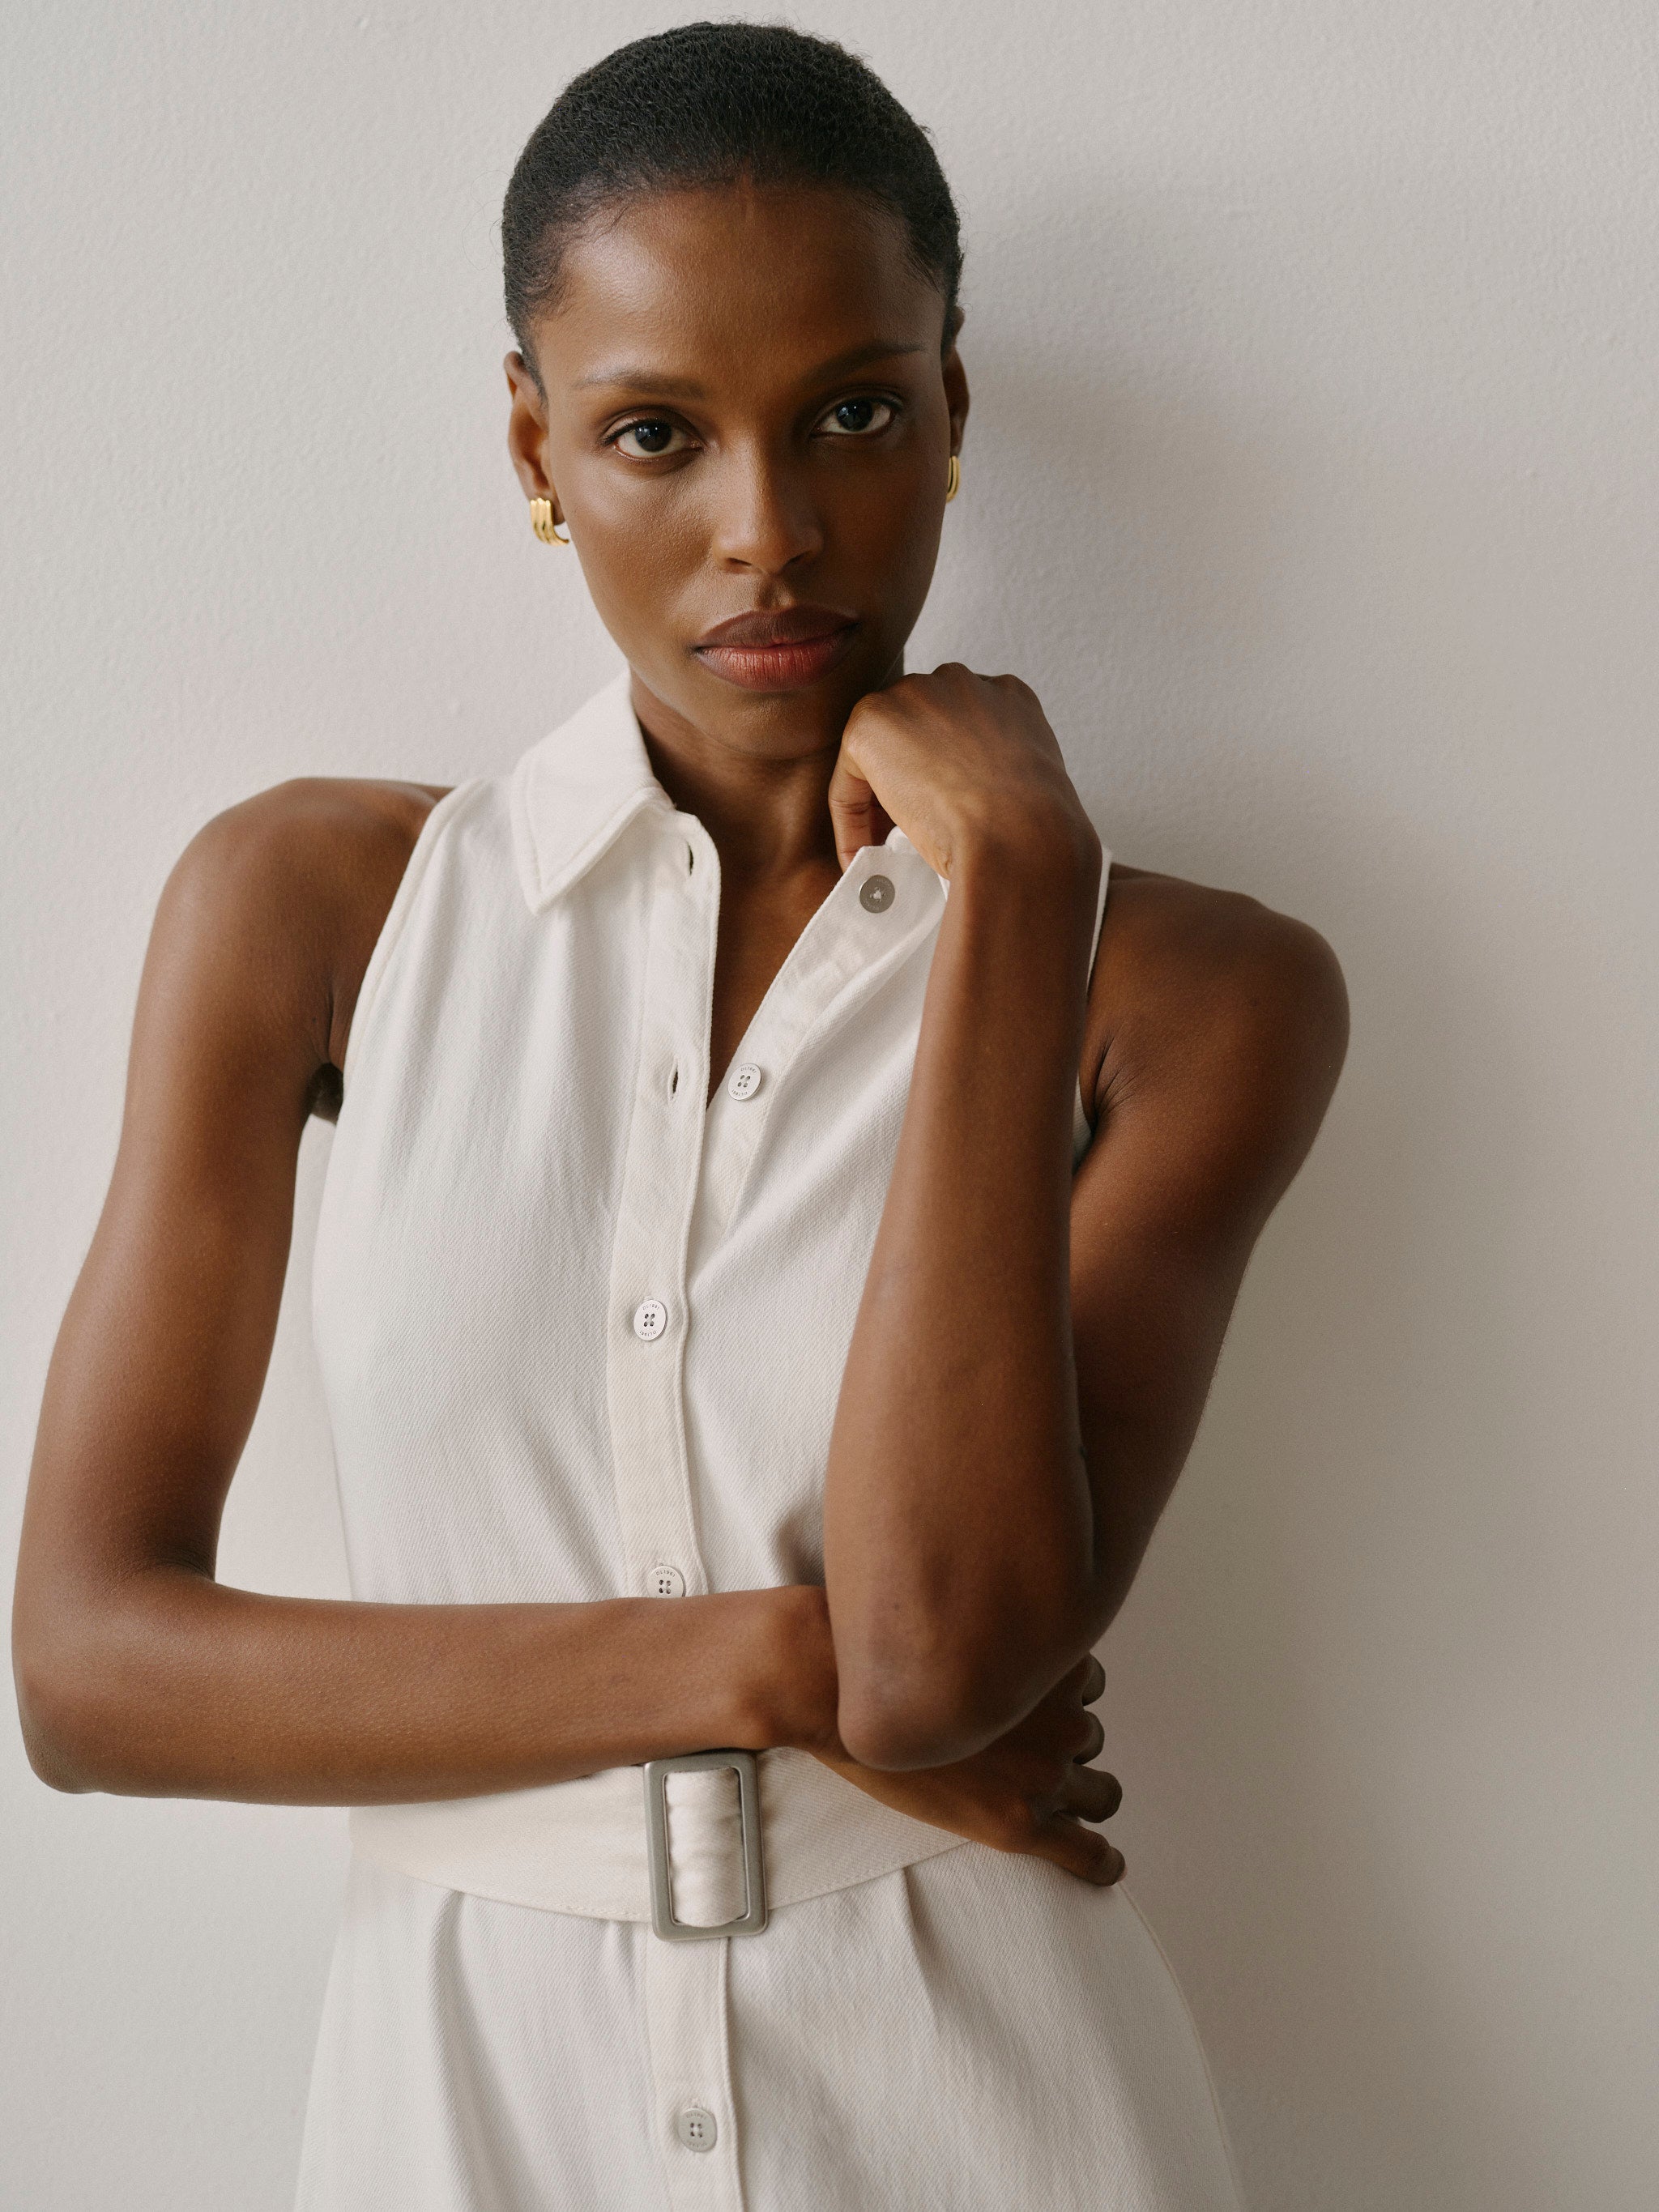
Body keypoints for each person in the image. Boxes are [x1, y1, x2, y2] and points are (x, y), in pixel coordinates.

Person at [12, 23, 1348, 2210]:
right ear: (535, 446)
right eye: (656, 432)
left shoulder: (1199, 992)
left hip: (984, 2109)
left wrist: (1012, 889)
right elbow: (90, 1671)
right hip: (465, 2116)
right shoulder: (309, 912)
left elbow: (937, 1664)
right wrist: (754, 1659)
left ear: (950, 417)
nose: (774, 530)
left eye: (854, 412)